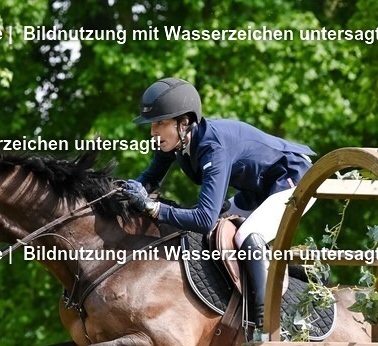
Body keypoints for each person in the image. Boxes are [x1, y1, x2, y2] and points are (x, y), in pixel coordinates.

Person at [122, 77, 316, 331]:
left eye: (159, 123)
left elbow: (203, 219)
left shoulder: (213, 147)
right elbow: (148, 180)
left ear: (184, 122)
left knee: (248, 234)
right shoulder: (173, 142)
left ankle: (265, 324)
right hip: (255, 191)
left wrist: (153, 208)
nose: (153, 132)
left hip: (294, 180)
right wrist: (125, 193)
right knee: (218, 233)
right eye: (152, 125)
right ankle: (299, 274)